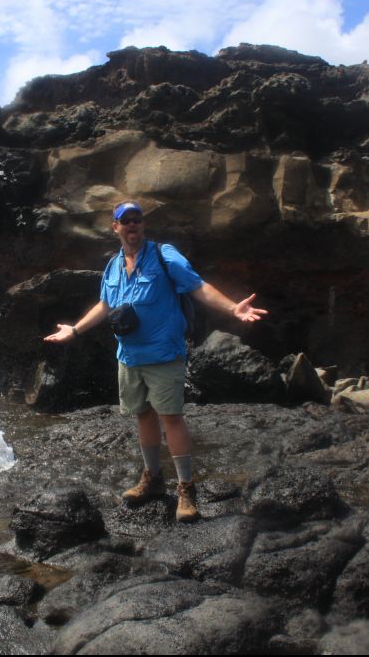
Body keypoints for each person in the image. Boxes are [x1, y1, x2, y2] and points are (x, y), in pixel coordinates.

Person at [44, 201, 267, 522]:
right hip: (129, 357)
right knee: (143, 415)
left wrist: (233, 308)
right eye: (126, 221)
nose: (132, 225)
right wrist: (75, 330)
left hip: (163, 354)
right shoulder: (113, 266)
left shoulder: (164, 256)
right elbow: (105, 305)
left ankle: (186, 488)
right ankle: (152, 477)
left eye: (137, 220)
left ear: (143, 225)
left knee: (171, 417)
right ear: (115, 227)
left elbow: (198, 286)